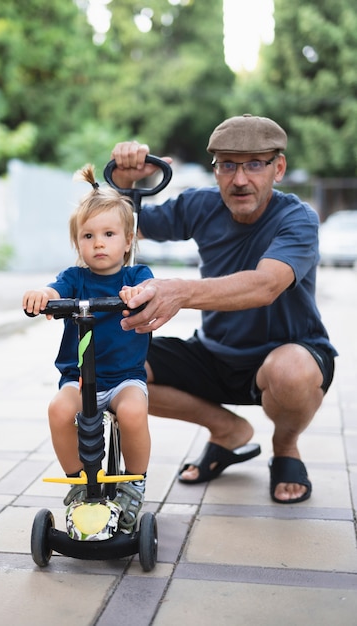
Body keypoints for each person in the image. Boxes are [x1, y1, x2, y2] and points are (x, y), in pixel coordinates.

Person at [112, 114, 337, 504]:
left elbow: (265, 285)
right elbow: (123, 227)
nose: (240, 179)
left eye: (254, 164)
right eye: (228, 165)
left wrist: (179, 292)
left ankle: (285, 448)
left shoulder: (297, 218)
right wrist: (125, 181)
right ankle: (228, 432)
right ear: (215, 171)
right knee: (115, 368)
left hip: (287, 353)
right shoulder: (201, 205)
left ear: (278, 168)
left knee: (291, 371)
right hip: (213, 354)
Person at [23, 164, 154, 531]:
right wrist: (43, 296)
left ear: (127, 241)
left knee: (132, 414)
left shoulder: (136, 277)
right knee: (58, 411)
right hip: (80, 380)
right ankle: (79, 481)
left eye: (109, 234)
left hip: (125, 378)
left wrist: (137, 296)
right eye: (88, 235)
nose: (98, 243)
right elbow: (54, 290)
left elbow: (150, 293)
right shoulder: (75, 278)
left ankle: (133, 482)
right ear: (77, 242)